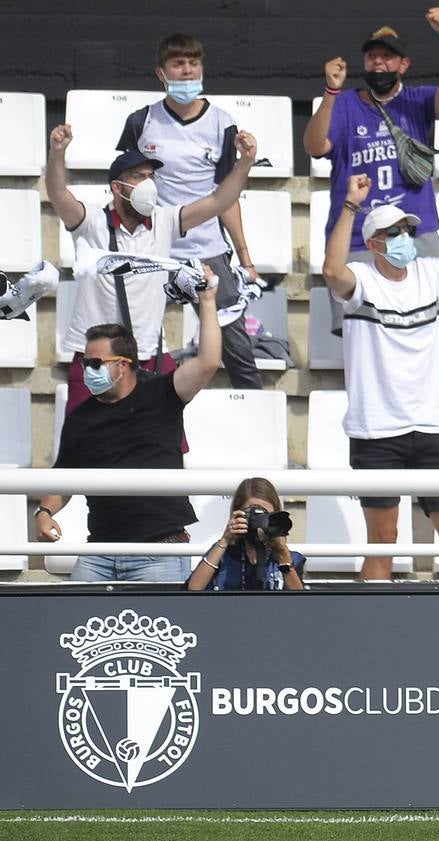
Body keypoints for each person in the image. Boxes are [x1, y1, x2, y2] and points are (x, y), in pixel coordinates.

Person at [321, 168, 439, 582]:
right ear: (372, 244)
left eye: (407, 230)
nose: (404, 238)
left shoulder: (432, 272)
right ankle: (374, 636)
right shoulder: (362, 280)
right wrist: (350, 204)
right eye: (393, 233)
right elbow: (332, 272)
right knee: (383, 539)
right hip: (376, 432)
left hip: (428, 430)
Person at [46, 126, 259, 411]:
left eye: (150, 176)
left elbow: (218, 201)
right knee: (85, 449)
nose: (148, 184)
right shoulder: (91, 222)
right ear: (117, 187)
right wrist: (57, 153)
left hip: (149, 358)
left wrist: (245, 162)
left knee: (165, 450)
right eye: (138, 176)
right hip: (97, 362)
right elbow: (58, 193)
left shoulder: (165, 221)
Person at [35, 266, 226, 583]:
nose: (87, 370)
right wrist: (44, 512)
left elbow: (208, 362)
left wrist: (206, 300)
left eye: (95, 363)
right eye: (84, 363)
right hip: (98, 552)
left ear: (123, 366)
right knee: (74, 625)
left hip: (159, 552)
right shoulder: (80, 417)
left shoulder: (163, 392)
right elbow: (63, 477)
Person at [116, 31, 263, 391]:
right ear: (161, 73)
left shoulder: (222, 122)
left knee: (237, 351)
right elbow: (123, 190)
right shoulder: (141, 121)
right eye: (177, 64)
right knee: (138, 346)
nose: (186, 71)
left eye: (193, 63)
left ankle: (261, 424)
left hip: (207, 252)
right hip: (155, 252)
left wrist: (245, 257)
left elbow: (225, 196)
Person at [303, 9, 439, 301]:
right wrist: (331, 91)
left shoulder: (416, 100)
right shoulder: (345, 104)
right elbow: (314, 146)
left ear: (403, 65)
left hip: (417, 235)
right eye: (372, 56)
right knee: (362, 331)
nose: (378, 62)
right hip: (360, 238)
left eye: (387, 56)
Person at [186, 477, 306, 591]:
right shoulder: (224, 555)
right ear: (238, 514)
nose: (261, 522)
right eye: (255, 514)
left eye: (267, 515)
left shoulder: (290, 557)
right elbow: (194, 589)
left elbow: (300, 602)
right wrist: (225, 540)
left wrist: (282, 553)